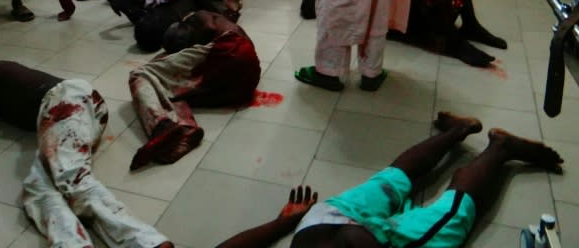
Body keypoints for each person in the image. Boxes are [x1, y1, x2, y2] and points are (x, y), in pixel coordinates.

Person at [215, 112, 564, 248]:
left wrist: (281, 223)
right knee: (392, 179)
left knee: (452, 214)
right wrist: (284, 224)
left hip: (361, 243)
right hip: (319, 225)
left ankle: (499, 149)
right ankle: (457, 131)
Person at [0, 61, 172, 248]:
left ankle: (146, 240)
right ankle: (76, 243)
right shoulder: (1, 90)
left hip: (67, 101)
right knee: (40, 188)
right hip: (82, 106)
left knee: (74, 180)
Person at [128, 10, 260, 170]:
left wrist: (168, 58)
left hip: (229, 52)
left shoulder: (199, 18)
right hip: (244, 83)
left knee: (139, 75)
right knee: (175, 89)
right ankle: (186, 129)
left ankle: (161, 125)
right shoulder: (217, 20)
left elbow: (208, 28)